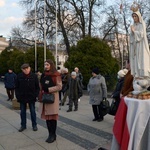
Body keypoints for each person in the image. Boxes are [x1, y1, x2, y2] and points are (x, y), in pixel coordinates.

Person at [38, 59, 62, 143]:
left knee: (52, 118)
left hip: (52, 98)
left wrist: (49, 89)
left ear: (51, 65)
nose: (46, 66)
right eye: (45, 65)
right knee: (47, 119)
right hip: (45, 98)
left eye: (47, 65)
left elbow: (59, 87)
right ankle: (50, 134)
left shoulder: (56, 74)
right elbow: (41, 85)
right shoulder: (43, 75)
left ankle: (53, 135)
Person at [15, 63, 40, 132]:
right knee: (22, 112)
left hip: (31, 97)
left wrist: (36, 95)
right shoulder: (19, 76)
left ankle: (34, 125)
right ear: (22, 70)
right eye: (24, 69)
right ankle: (23, 125)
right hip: (22, 97)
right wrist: (18, 96)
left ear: (29, 68)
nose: (26, 70)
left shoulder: (34, 76)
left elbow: (37, 87)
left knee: (32, 111)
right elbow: (16, 87)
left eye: (27, 68)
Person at [129, 8, 150, 78]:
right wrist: (132, 32)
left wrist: (134, 31)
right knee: (135, 59)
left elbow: (141, 35)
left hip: (141, 45)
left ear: (138, 16)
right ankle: (137, 74)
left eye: (135, 16)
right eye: (133, 16)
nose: (134, 18)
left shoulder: (142, 24)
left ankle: (143, 74)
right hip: (135, 46)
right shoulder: (133, 25)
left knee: (141, 59)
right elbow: (131, 38)